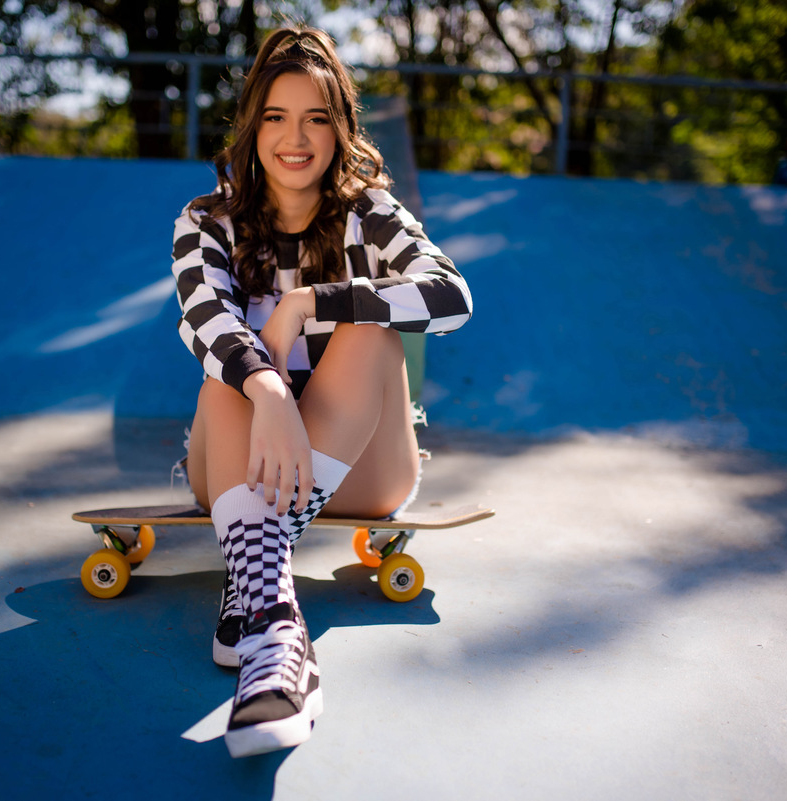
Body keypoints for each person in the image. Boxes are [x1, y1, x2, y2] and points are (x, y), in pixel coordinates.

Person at [170, 26, 473, 758]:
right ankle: (279, 638)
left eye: (316, 118)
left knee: (373, 330)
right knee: (227, 373)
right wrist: (271, 392)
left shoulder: (372, 213)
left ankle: (253, 587)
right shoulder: (207, 222)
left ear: (340, 128)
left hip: (362, 468)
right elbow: (206, 321)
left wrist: (312, 302)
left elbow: (451, 297)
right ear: (252, 125)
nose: (295, 138)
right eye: (276, 116)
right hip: (241, 459)